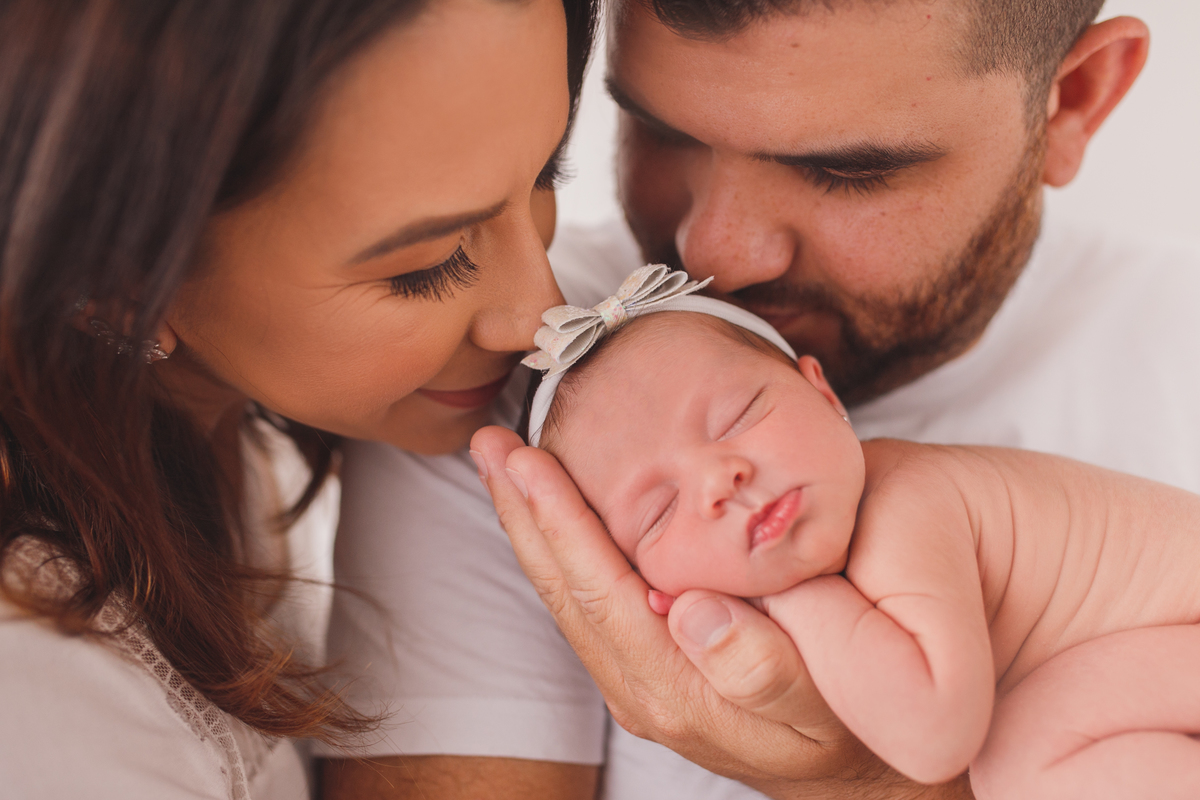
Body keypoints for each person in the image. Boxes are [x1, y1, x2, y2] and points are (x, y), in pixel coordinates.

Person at [323, 0, 1200, 799]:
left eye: (843, 172)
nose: (719, 251)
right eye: (661, 131)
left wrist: (867, 784)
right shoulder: (518, 387)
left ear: (1076, 98)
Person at [0, 0, 599, 797]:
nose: (542, 315)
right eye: (427, 265)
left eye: (545, 174)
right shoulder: (39, 703)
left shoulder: (234, 437)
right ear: (116, 279)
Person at [526, 284, 1200, 798]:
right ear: (647, 589)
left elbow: (935, 738)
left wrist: (793, 598)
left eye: (738, 416)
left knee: (1018, 753)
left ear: (823, 394)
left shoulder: (908, 504)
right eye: (660, 510)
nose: (719, 482)